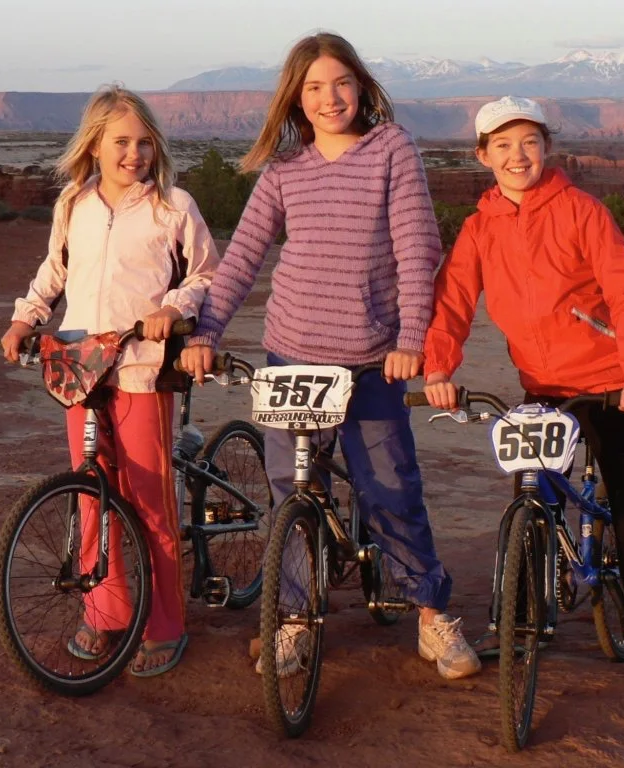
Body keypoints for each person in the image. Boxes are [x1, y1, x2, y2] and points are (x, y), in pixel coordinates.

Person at [180, 32, 480, 680]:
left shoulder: (391, 148)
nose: (329, 97)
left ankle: (431, 615)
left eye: (341, 82)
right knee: (290, 493)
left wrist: (411, 341)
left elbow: (417, 249)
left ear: (361, 87)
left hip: (372, 361)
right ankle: (292, 619)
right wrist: (206, 332)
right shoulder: (285, 168)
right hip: (291, 358)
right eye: (313, 87)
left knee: (391, 490)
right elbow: (243, 256)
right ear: (296, 98)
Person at [421, 96, 624, 702]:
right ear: (483, 156)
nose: (517, 155)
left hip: (610, 384)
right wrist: (439, 368)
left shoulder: (582, 211)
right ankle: (523, 620)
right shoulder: (479, 227)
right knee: (533, 500)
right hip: (541, 387)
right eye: (503, 145)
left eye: (529, 142)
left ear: (546, 148)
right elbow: (452, 301)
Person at [1, 85, 219, 676]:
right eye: (121, 141)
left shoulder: (173, 206)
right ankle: (105, 613)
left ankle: (165, 624)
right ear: (94, 144)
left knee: (150, 503)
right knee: (90, 495)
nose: (134, 154)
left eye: (144, 142)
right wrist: (26, 317)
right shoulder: (74, 203)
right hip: (79, 367)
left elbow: (205, 275)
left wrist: (173, 308)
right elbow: (55, 270)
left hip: (142, 368)